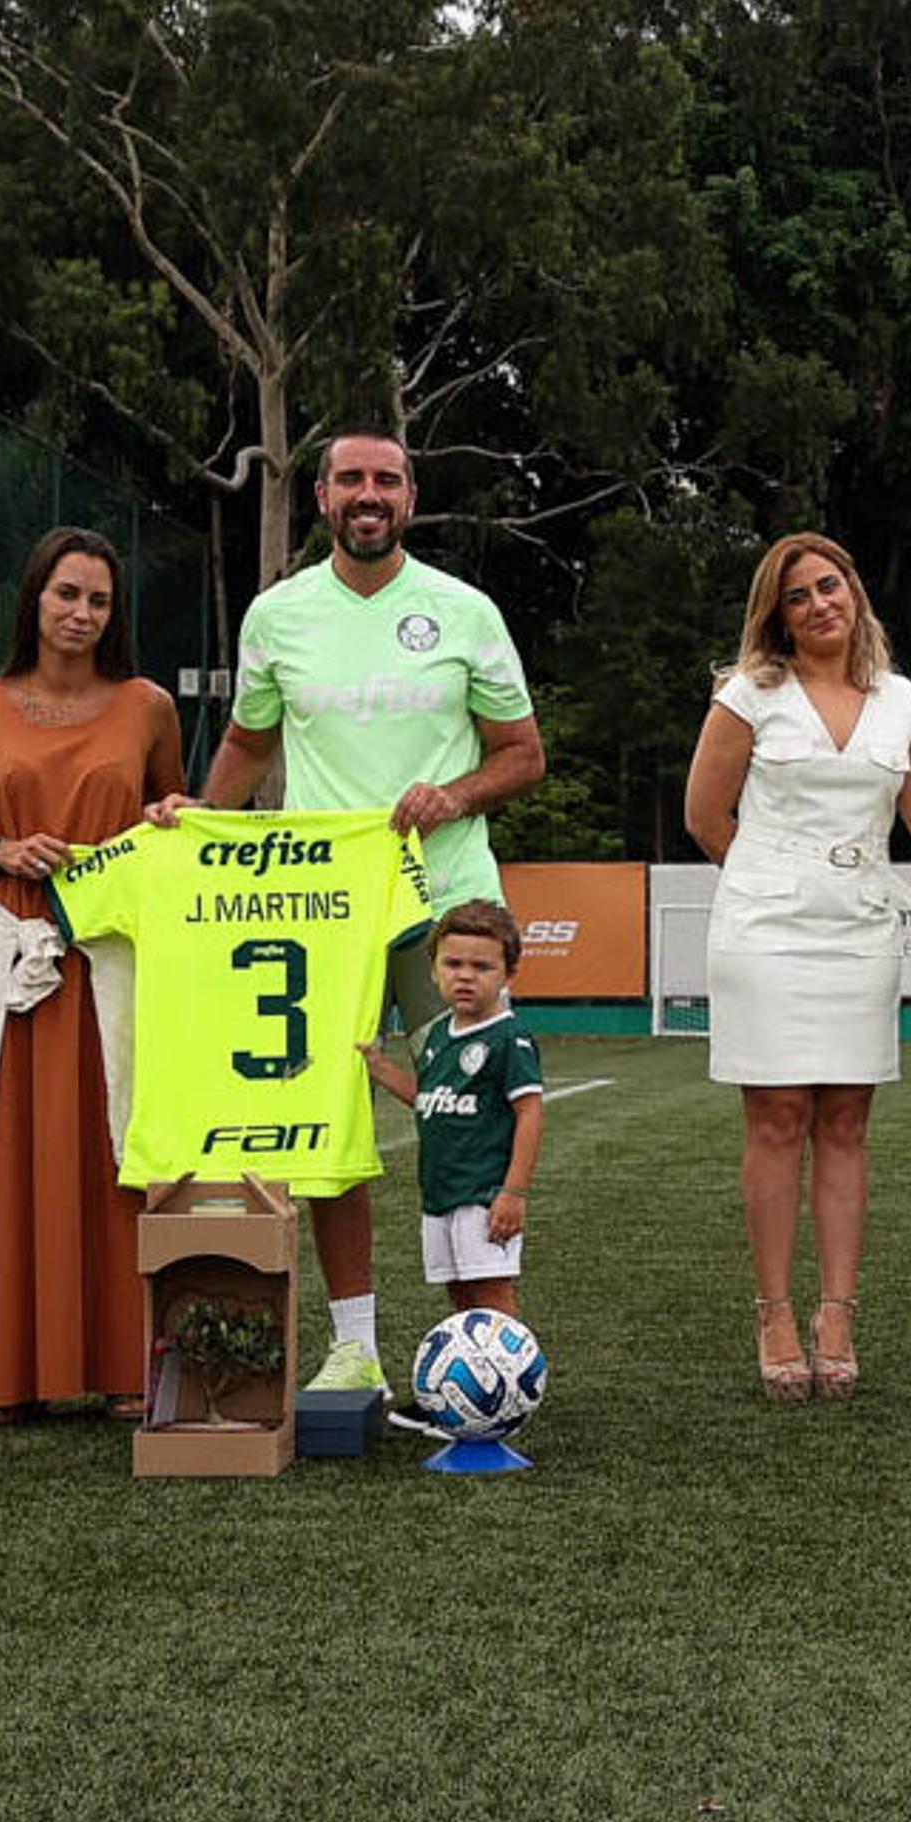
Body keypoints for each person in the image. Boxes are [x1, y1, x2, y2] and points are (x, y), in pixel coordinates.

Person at [177, 429, 545, 1400]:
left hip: (448, 906)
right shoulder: (279, 616)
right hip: (321, 910)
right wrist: (199, 826)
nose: (368, 494)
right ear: (323, 497)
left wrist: (454, 797)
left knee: (465, 1118)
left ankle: (484, 1343)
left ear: (411, 497)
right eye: (351, 480)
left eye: (386, 479)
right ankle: (354, 1347)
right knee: (327, 1122)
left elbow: (522, 754)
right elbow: (250, 747)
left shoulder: (463, 612)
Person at [687, 532, 911, 1399]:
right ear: (778, 616)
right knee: (777, 1117)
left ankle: (838, 1311)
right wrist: (771, 884)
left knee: (846, 1121)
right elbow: (705, 817)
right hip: (765, 930)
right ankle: (775, 1311)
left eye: (832, 585)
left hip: (863, 929)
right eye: (800, 597)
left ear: (855, 590)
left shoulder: (904, 702)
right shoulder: (748, 695)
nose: (821, 603)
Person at [0, 529, 184, 1422]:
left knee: (119, 1153)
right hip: (13, 963)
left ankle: (123, 1365)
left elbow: (172, 823)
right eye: (66, 594)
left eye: (99, 601)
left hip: (112, 962)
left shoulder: (148, 705)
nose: (81, 614)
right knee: (2, 1156)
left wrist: (172, 817)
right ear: (34, 598)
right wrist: (1, 847)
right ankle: (1, 1371)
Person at [359, 900, 544, 1322]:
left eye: (481, 967)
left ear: (508, 975)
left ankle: (512, 1380)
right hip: (439, 1192)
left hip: (483, 1193)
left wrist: (513, 1193)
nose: (464, 975)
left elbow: (530, 1113)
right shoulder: (439, 1033)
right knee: (459, 1291)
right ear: (433, 970)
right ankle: (479, 1379)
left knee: (490, 1289)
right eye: (453, 963)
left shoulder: (508, 1037)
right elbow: (430, 1098)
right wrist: (382, 1070)